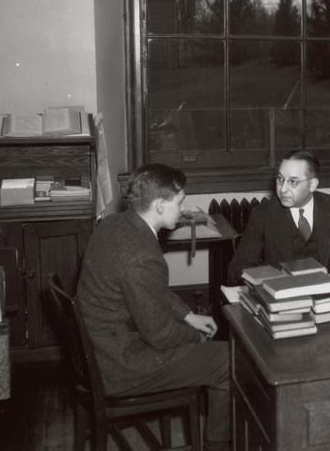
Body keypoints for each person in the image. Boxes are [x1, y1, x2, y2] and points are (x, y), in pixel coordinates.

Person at [77, 164, 230, 451]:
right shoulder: (142, 257)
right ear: (159, 205)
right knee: (228, 360)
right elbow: (160, 337)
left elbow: (151, 290)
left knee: (206, 345)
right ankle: (217, 445)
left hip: (102, 349)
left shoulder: (113, 224)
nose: (183, 209)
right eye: (179, 202)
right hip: (120, 366)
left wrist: (187, 315)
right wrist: (195, 337)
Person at [227, 149, 330, 281]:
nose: (283, 189)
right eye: (280, 179)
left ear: (312, 185)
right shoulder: (262, 214)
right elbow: (238, 267)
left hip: (329, 296)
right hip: (282, 296)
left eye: (293, 182)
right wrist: (270, 279)